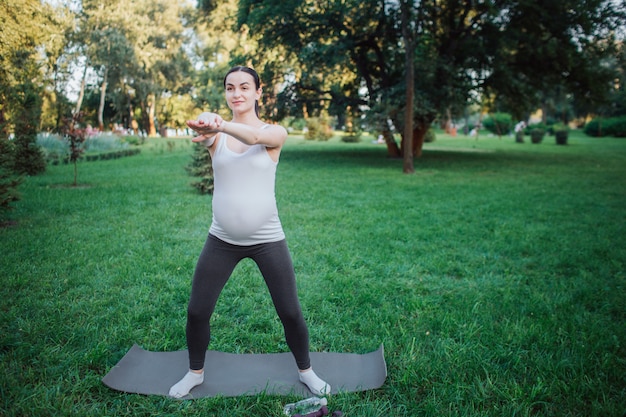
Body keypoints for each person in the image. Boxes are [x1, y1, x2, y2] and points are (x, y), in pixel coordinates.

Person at [168, 66, 331, 399]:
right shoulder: (218, 136)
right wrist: (207, 121)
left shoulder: (275, 132)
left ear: (259, 92)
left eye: (244, 87)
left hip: (267, 240)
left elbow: (254, 137)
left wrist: (221, 122)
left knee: (289, 311)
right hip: (221, 239)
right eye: (230, 88)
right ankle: (194, 373)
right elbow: (208, 128)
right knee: (197, 310)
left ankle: (307, 372)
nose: (236, 93)